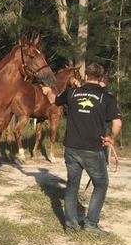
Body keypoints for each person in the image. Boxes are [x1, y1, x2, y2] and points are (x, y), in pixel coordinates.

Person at [42, 63, 122, 235]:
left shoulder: (72, 93)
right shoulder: (107, 98)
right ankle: (91, 225)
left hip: (71, 147)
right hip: (93, 148)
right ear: (101, 79)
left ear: (85, 77)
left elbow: (53, 100)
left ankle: (71, 226)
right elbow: (117, 123)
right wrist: (111, 138)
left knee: (72, 185)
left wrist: (48, 91)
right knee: (101, 184)